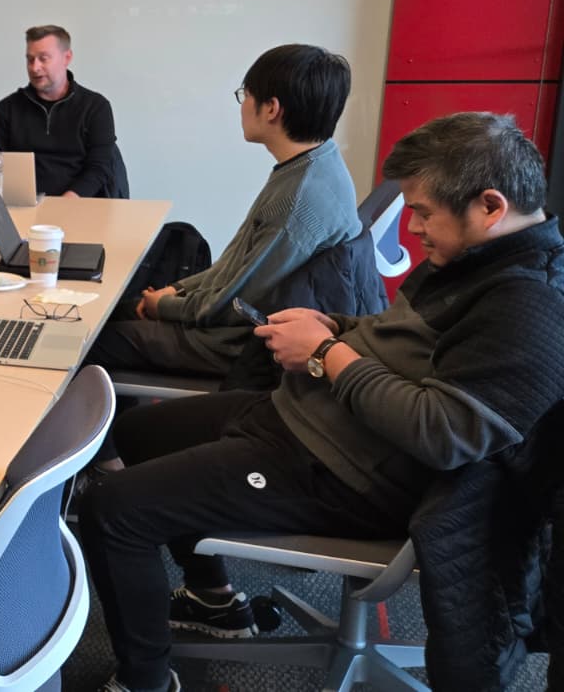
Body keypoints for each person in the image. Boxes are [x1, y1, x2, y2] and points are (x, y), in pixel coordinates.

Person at [77, 112, 564, 692]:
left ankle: (145, 681)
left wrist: (327, 353)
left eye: (424, 212)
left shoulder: (529, 305)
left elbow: (445, 433)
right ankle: (213, 598)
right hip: (308, 419)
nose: (413, 227)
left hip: (347, 472)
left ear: (489, 207)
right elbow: (403, 341)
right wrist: (335, 326)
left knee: (113, 510)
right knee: (136, 435)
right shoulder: (478, 259)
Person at [86, 44, 360, 385]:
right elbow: (235, 268)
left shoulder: (297, 201)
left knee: (89, 340)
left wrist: (164, 306)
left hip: (235, 342)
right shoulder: (317, 164)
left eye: (246, 95)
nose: (242, 105)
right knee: (107, 311)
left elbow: (234, 304)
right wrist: (176, 289)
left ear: (272, 109)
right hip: (228, 318)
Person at [0, 25, 125, 198]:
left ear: (66, 58)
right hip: (25, 204)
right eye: (30, 59)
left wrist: (67, 201)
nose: (35, 67)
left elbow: (100, 168)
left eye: (43, 59)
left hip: (80, 203)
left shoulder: (95, 107)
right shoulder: (6, 109)